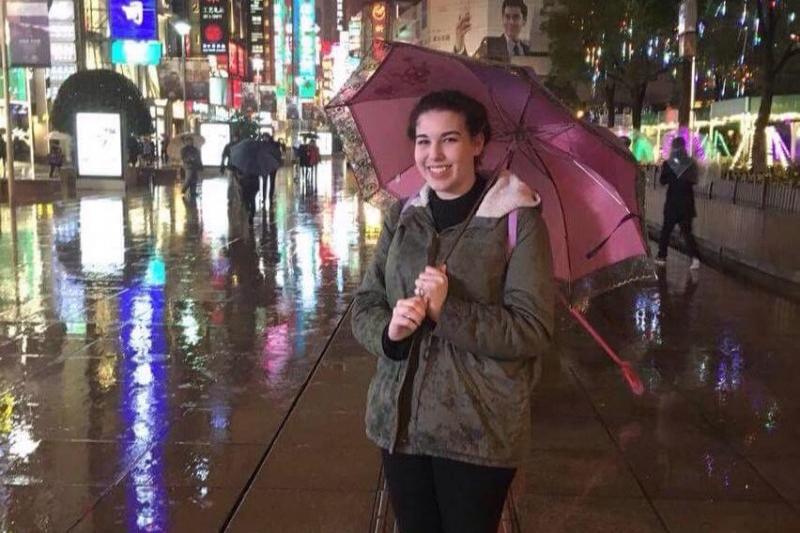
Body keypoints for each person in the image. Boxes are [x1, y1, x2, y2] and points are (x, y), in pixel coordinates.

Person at [351, 90, 555, 533]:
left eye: (449, 139)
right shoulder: (403, 214)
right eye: (423, 141)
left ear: (478, 143)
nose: (433, 154)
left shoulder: (518, 220)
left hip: (478, 428)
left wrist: (449, 311)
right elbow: (366, 303)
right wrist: (390, 333)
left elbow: (532, 328)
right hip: (399, 424)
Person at [656, 136, 701, 269]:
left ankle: (662, 257)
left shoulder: (669, 163)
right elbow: (694, 181)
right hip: (687, 204)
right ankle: (695, 258)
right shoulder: (691, 163)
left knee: (666, 231)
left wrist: (669, 176)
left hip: (672, 204)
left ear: (673, 148)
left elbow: (662, 181)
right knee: (687, 233)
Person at [454, 0, 531, 62]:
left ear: (524, 21)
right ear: (502, 19)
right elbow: (471, 68)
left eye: (516, 17)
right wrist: (459, 44)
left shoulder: (528, 50)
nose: (511, 22)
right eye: (507, 17)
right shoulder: (490, 45)